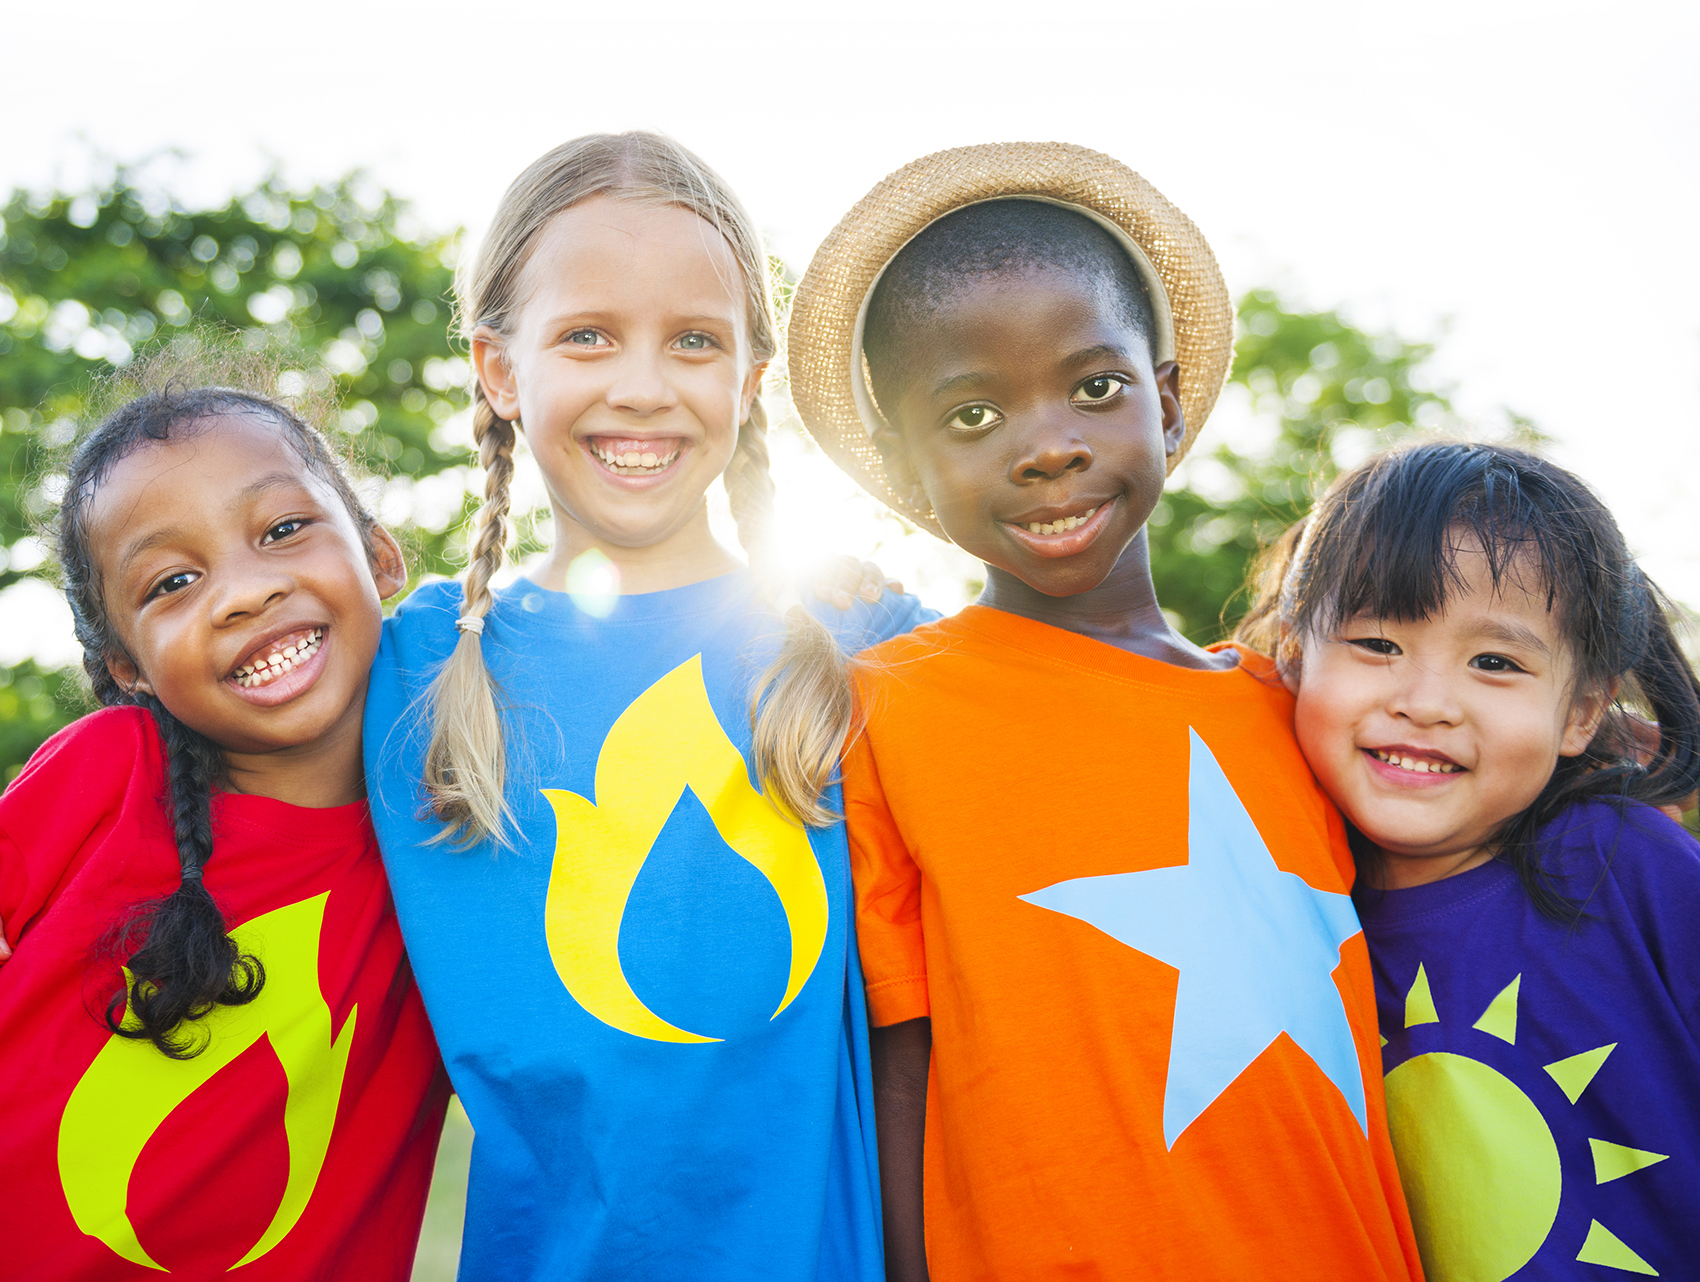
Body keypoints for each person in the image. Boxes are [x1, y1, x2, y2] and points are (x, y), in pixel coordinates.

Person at [786, 142, 1423, 1280]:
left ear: (1166, 402)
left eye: (1094, 387)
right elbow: (900, 1061)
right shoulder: (888, 710)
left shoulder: (1298, 705)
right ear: (902, 465)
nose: (1049, 447)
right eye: (972, 414)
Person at [362, 132, 931, 1282]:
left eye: (692, 340)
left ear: (748, 378)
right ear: (497, 369)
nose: (641, 385)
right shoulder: (405, 668)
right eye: (586, 335)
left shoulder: (862, 648)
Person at [0, 348, 449, 1280]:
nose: (246, 592)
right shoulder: (107, 775)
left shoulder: (459, 832)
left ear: (378, 554)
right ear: (127, 666)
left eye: (283, 528)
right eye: (171, 583)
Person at [1238, 440, 1700, 1280]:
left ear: (1582, 711)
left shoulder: (1627, 863)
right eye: (1378, 643)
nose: (1425, 703)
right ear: (1296, 653)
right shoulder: (1281, 909)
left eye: (1495, 663)